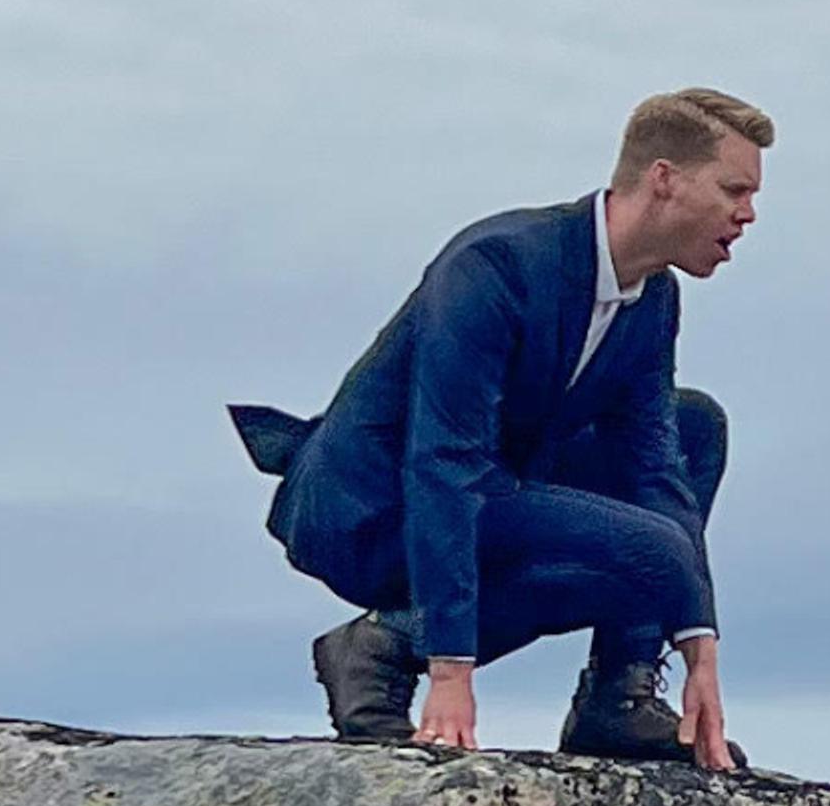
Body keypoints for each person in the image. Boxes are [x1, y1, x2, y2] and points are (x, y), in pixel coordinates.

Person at [227, 88, 769, 768]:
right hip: (376, 510)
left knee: (695, 433)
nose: (747, 214)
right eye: (734, 190)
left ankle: (617, 696)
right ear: (664, 179)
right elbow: (442, 463)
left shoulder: (653, 296)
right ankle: (385, 648)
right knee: (652, 550)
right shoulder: (498, 265)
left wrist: (700, 651)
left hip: (492, 489)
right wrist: (450, 670)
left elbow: (655, 466)